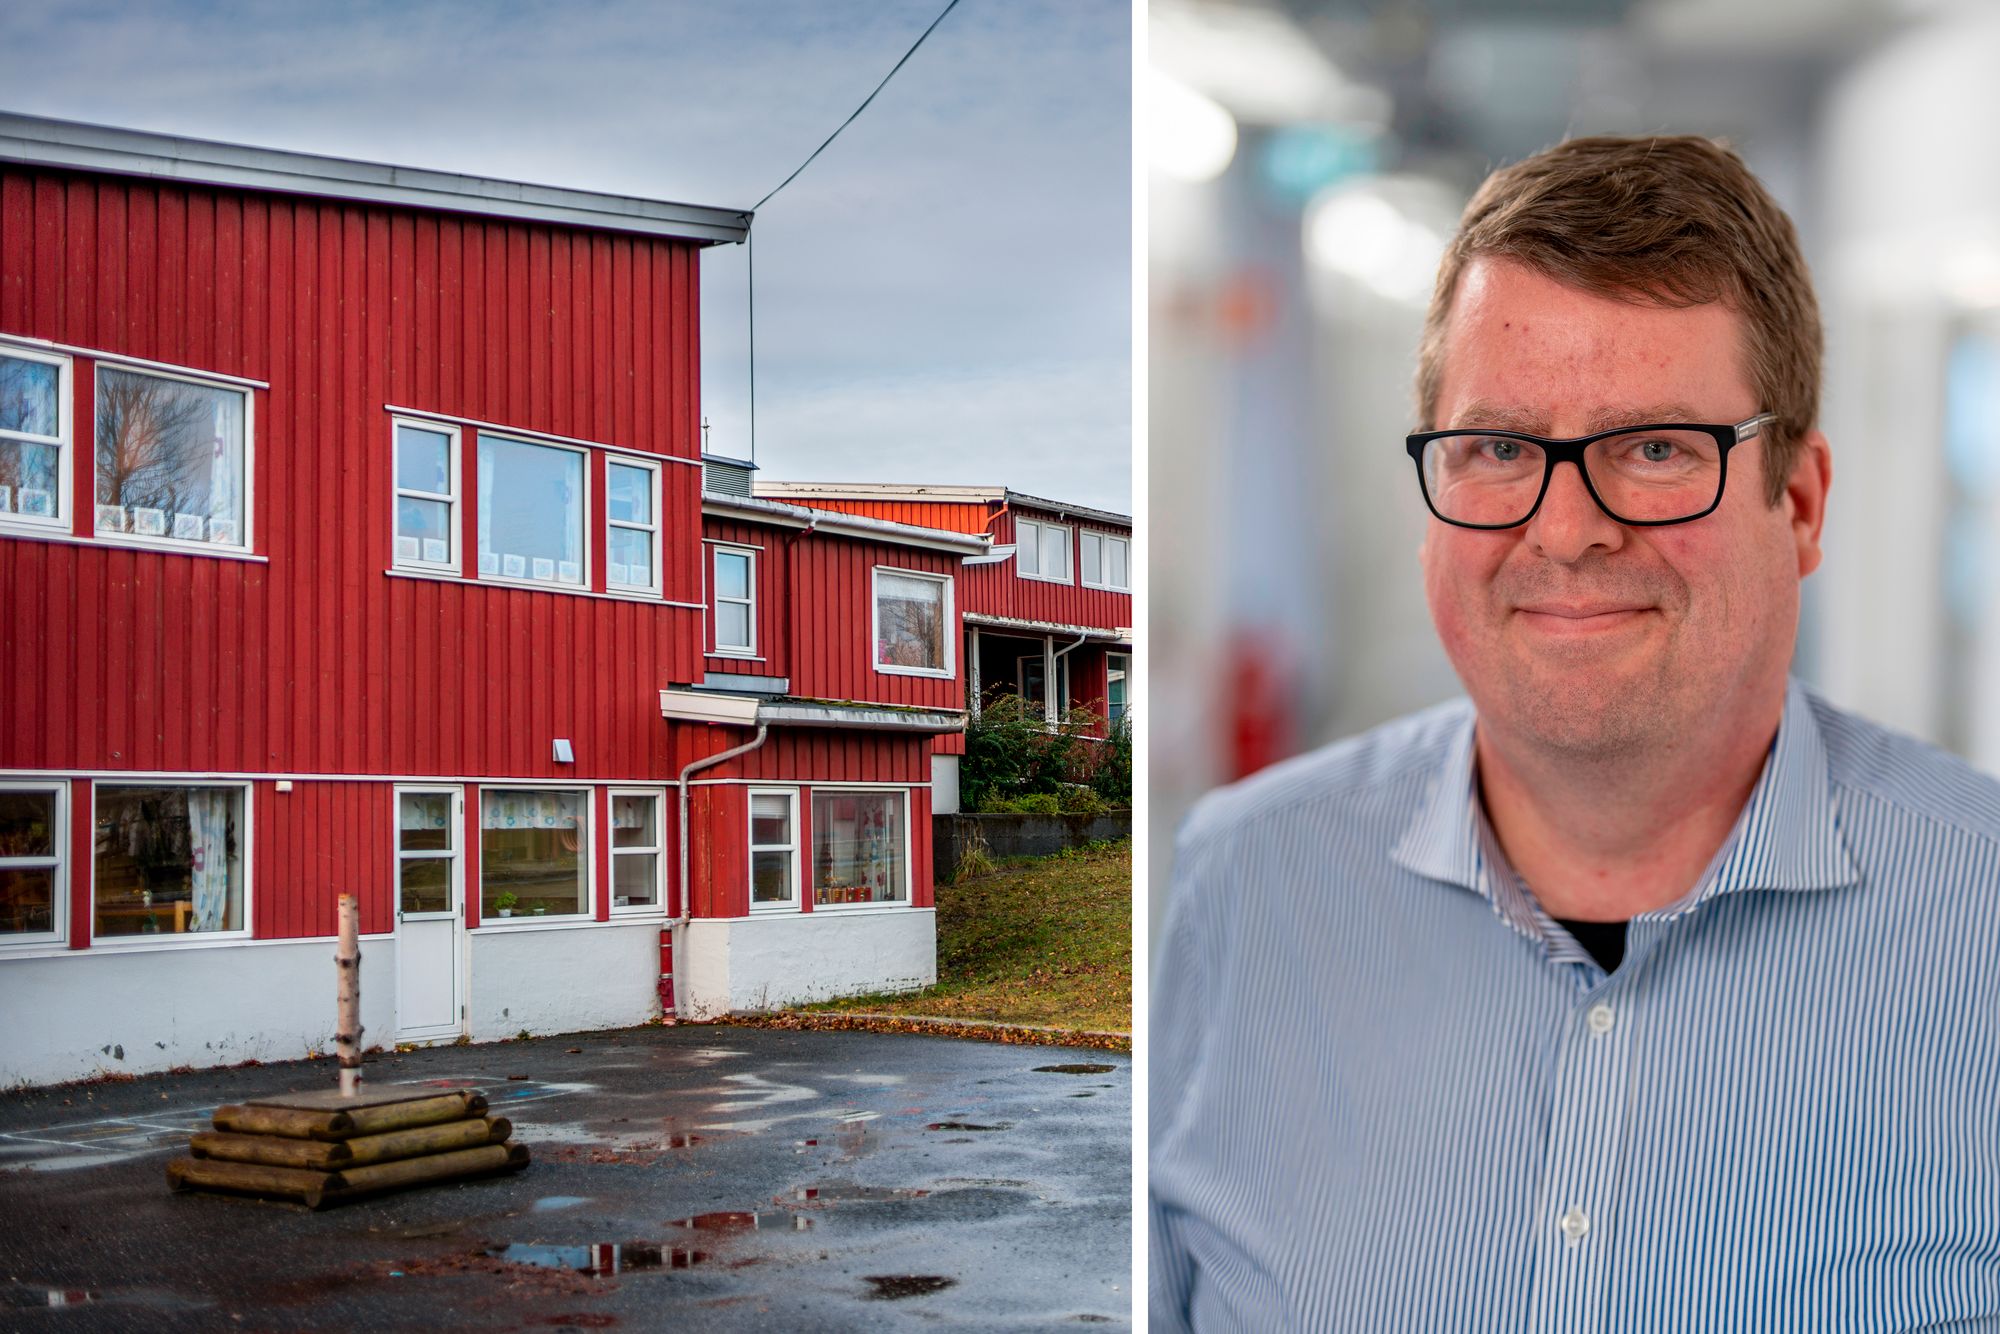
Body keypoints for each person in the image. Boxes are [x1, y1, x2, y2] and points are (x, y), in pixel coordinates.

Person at [1150, 135, 2000, 1331]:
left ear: (1798, 505)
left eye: (1653, 448)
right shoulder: (1243, 879)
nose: (1563, 529)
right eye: (1496, 448)